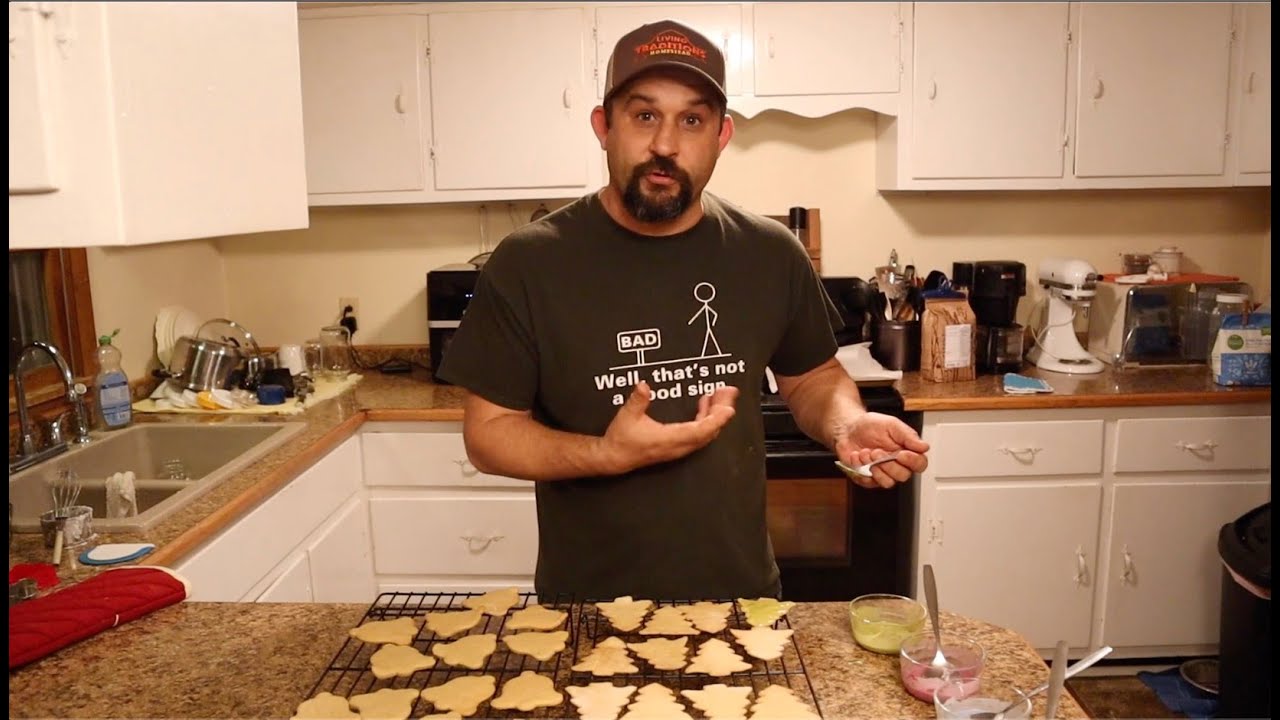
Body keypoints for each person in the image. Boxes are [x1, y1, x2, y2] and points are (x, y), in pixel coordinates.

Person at [436, 19, 929, 601]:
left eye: (692, 120)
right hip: (587, 606)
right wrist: (606, 454)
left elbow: (813, 378)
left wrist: (847, 424)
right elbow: (488, 436)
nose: (666, 145)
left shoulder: (769, 252)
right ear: (603, 128)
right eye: (645, 115)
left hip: (741, 598)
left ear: (722, 135)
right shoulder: (529, 262)